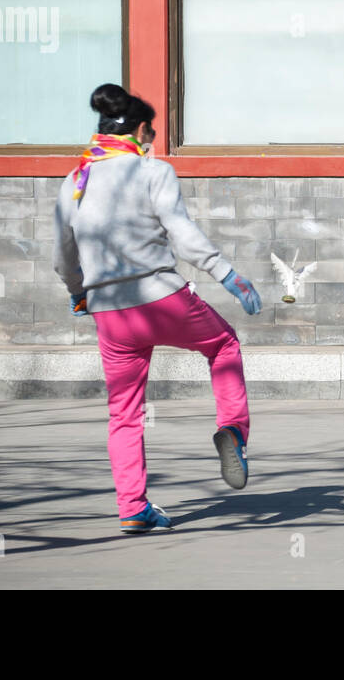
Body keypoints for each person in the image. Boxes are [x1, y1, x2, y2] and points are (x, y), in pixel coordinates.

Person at [54, 84, 263, 533]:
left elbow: (63, 256)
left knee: (124, 413)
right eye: (150, 132)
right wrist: (228, 275)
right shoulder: (153, 172)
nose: (153, 141)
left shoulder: (75, 180)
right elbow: (182, 234)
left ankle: (132, 507)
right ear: (138, 131)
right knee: (224, 345)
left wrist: (79, 293)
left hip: (110, 313)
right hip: (162, 299)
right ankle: (233, 431)